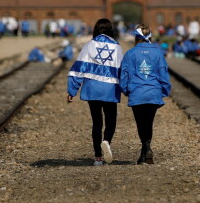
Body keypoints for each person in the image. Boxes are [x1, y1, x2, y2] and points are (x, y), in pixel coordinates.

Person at [67, 18, 123, 166]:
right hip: (110, 89)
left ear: (95, 30)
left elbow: (79, 67)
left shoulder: (89, 45)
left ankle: (98, 157)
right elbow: (122, 72)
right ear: (111, 30)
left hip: (92, 88)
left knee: (97, 122)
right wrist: (127, 90)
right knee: (111, 122)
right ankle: (106, 142)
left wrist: (72, 90)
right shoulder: (117, 48)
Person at [120, 23, 171, 164]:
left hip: (137, 93)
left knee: (140, 123)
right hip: (153, 92)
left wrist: (125, 90)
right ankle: (145, 152)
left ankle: (146, 148)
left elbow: (124, 75)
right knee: (149, 122)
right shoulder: (158, 52)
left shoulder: (130, 54)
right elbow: (163, 74)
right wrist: (164, 91)